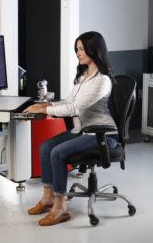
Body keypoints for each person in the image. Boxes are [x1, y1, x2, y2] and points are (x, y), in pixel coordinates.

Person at [23, 31, 118, 226]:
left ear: (94, 50)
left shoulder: (102, 80)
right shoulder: (84, 75)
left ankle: (60, 208)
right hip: (83, 130)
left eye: (81, 49)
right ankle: (48, 198)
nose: (78, 53)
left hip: (101, 134)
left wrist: (45, 109)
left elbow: (75, 108)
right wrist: (42, 106)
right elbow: (69, 101)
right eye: (77, 49)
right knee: (45, 147)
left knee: (57, 153)